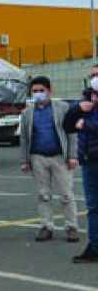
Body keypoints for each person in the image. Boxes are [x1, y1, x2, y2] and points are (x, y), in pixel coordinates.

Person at [20, 76, 79, 242]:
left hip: (60, 157)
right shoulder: (27, 113)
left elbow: (72, 133)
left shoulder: (63, 108)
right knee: (43, 195)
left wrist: (72, 156)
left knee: (66, 194)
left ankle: (71, 227)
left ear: (49, 91)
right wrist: (24, 160)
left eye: (41, 90)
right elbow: (24, 138)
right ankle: (46, 226)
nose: (38, 93)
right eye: (35, 91)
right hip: (37, 157)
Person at [62, 64, 98, 263]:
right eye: (92, 75)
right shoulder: (86, 99)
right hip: (90, 160)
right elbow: (68, 125)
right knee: (93, 207)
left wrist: (87, 124)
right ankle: (95, 247)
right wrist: (77, 109)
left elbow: (83, 126)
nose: (94, 78)